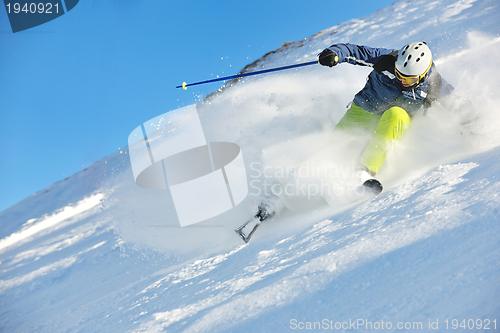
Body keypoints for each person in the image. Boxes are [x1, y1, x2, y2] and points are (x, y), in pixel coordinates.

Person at [318, 42, 456, 193]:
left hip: (397, 121)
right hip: (367, 107)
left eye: (409, 79)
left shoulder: (434, 85)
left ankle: (363, 173)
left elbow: (457, 104)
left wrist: (475, 127)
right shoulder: (387, 60)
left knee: (395, 114)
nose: (403, 81)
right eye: (399, 74)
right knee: (338, 143)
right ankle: (315, 175)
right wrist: (334, 53)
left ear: (422, 75)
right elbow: (355, 51)